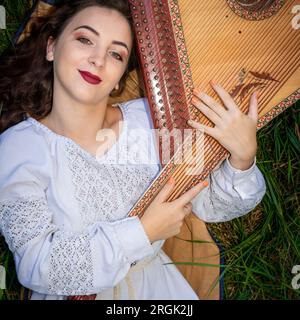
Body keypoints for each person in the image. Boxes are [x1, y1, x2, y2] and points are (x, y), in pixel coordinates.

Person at [0, 0, 266, 300]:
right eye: (85, 39)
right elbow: (37, 266)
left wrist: (241, 159)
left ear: (120, 75)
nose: (98, 59)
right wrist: (143, 233)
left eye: (116, 53)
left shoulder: (151, 120)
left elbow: (208, 203)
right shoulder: (19, 147)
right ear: (51, 48)